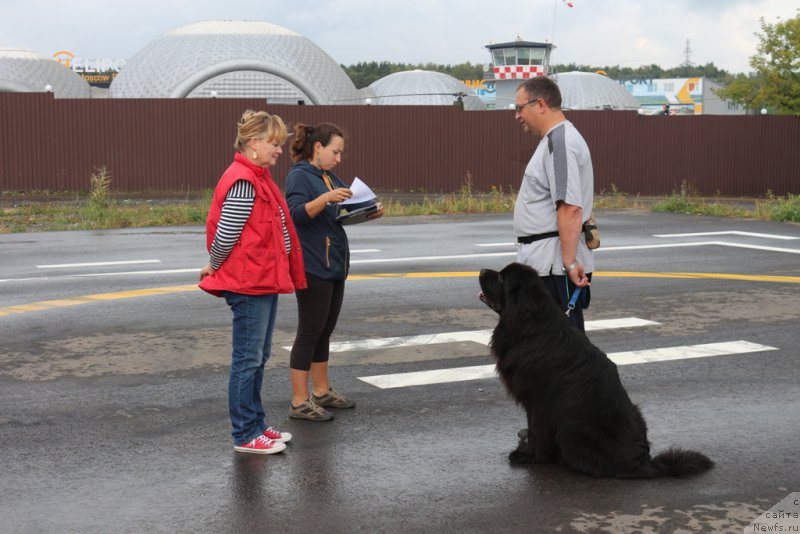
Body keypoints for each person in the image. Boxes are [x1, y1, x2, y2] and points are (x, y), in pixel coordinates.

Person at [198, 110, 307, 454]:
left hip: (260, 280)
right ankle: (245, 434)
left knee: (257, 357)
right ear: (254, 143)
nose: (279, 150)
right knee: (247, 359)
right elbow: (226, 236)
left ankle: (256, 424)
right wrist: (213, 267)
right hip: (248, 283)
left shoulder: (256, 177)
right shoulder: (244, 181)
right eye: (274, 144)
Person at [284, 122, 384, 421]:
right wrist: (325, 199)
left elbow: (338, 214)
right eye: (335, 151)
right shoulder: (300, 175)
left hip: (334, 264)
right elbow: (294, 215)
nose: (339, 158)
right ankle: (299, 401)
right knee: (309, 332)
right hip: (313, 264)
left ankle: (321, 390)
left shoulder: (327, 175)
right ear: (318, 147)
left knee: (325, 331)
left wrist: (366, 212)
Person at [512, 77, 594, 332]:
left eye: (519, 108)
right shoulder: (555, 139)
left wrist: (569, 263)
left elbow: (570, 207)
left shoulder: (560, 142)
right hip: (548, 263)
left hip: (554, 267)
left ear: (540, 104)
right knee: (551, 352)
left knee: (560, 352)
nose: (517, 116)